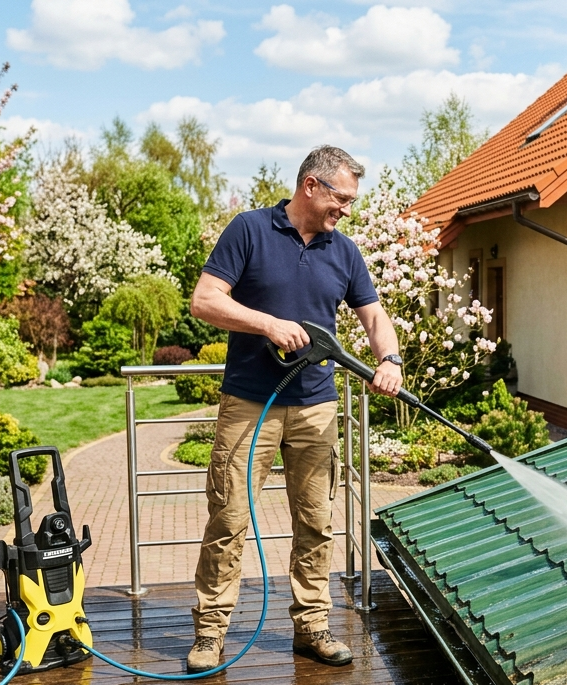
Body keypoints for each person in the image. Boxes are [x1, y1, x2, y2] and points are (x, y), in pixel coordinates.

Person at [184, 145, 402, 672]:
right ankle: (210, 634)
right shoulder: (250, 230)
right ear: (311, 185)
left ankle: (311, 627)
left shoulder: (344, 250)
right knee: (229, 518)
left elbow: (374, 317)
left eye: (351, 201)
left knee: (316, 521)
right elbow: (204, 300)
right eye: (341, 198)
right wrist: (267, 324)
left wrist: (389, 359)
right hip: (248, 405)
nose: (346, 209)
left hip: (316, 408)